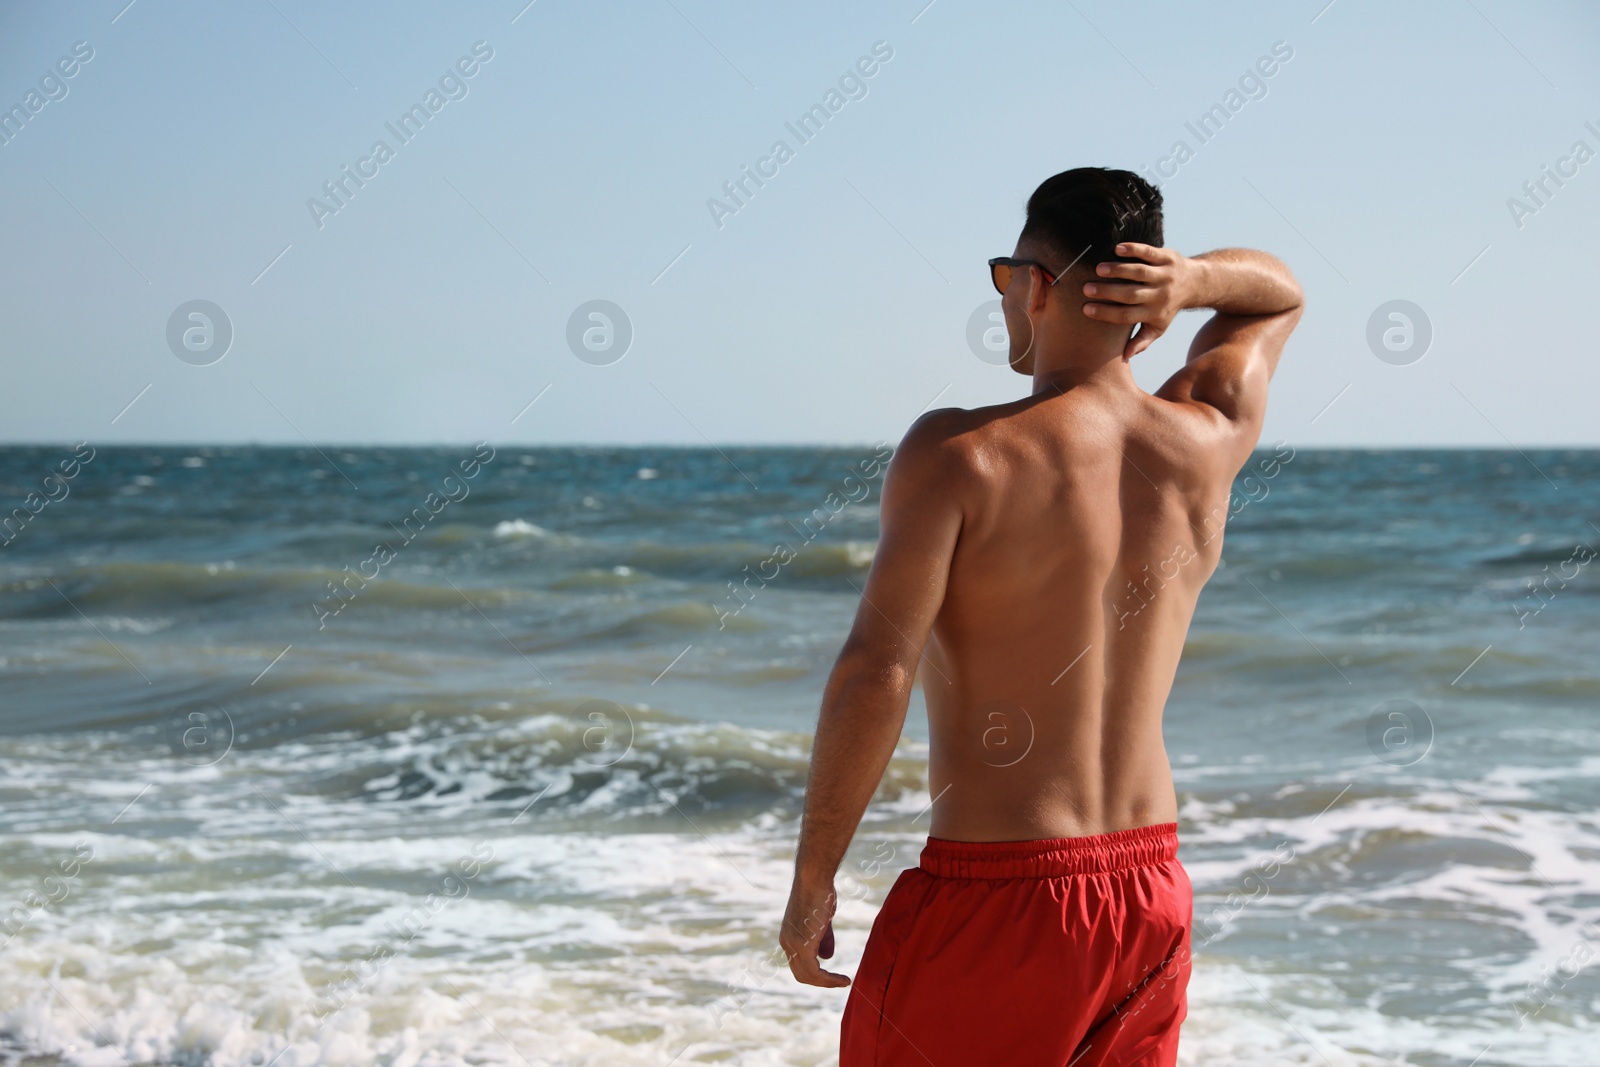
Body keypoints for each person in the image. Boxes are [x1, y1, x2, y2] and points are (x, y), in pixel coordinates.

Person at [778, 167, 1304, 1066]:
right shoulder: (1204, 441)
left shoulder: (958, 454)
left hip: (1001, 902)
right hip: (1148, 896)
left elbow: (877, 669)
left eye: (1006, 273)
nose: (1004, 297)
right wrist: (1192, 283)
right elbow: (1278, 298)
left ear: (1041, 285)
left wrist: (813, 876)